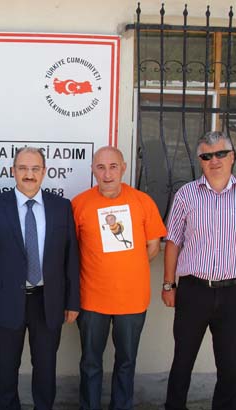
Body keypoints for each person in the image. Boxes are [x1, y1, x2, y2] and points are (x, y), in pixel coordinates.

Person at [162, 131, 236, 410]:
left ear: (232, 157)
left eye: (220, 154)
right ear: (200, 160)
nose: (214, 160)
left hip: (234, 292)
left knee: (229, 364)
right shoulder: (186, 195)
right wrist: (168, 284)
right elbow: (173, 242)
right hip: (193, 290)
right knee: (182, 360)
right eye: (207, 156)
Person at [0, 146, 80, 410]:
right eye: (22, 168)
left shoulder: (61, 207)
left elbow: (71, 258)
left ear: (44, 171)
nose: (29, 174)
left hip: (48, 301)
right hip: (6, 300)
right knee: (6, 367)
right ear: (13, 171)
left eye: (35, 169)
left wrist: (72, 302)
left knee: (46, 367)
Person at [71, 146, 166, 410]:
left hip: (132, 301)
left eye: (113, 167)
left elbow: (153, 246)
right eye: (101, 167)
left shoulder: (143, 202)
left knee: (126, 362)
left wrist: (128, 266)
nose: (107, 174)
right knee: (90, 363)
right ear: (93, 170)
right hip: (92, 300)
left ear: (123, 168)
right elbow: (72, 250)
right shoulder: (79, 204)